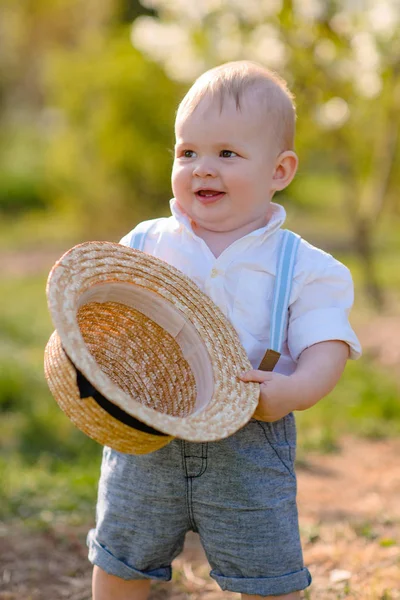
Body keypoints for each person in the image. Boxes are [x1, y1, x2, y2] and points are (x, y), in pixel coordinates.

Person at [87, 60, 361, 600]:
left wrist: (295, 392)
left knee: (267, 573)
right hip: (147, 438)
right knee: (122, 557)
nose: (202, 169)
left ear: (279, 171)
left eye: (226, 154)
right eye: (187, 152)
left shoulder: (303, 265)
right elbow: (104, 319)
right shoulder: (145, 245)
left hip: (251, 441)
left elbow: (326, 342)